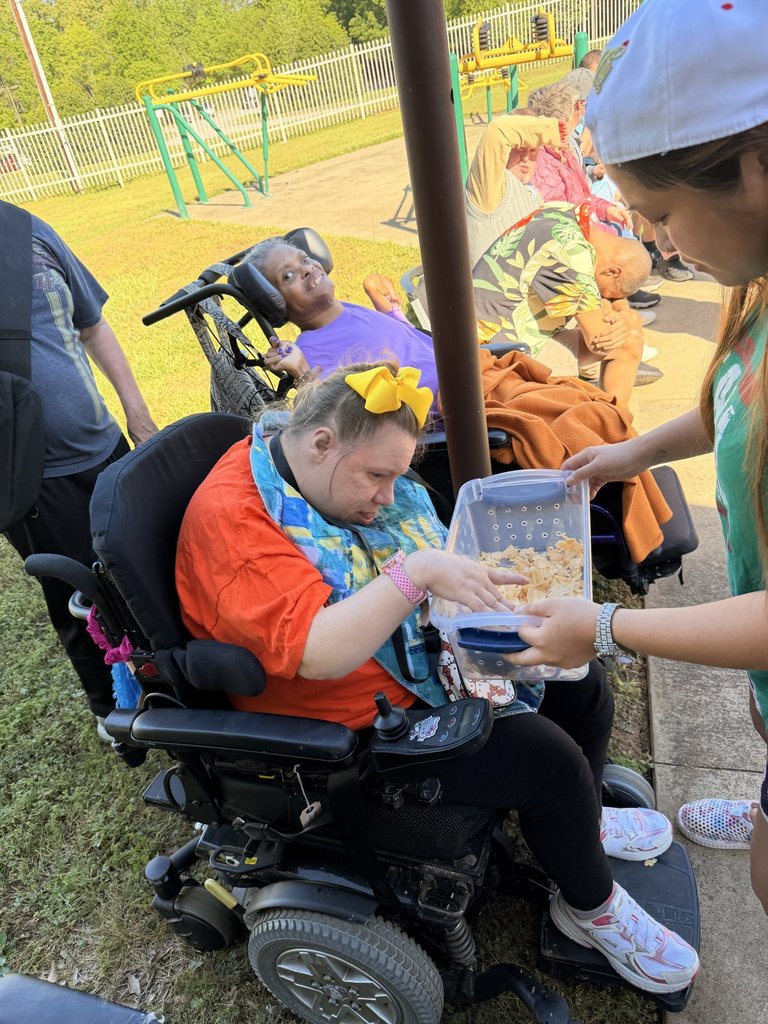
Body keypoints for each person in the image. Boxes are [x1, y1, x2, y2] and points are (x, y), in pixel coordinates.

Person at [175, 360, 699, 993]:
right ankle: (588, 910)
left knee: (582, 688)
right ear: (321, 443)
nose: (389, 497)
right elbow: (318, 653)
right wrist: (414, 575)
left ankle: (579, 826)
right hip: (345, 725)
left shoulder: (299, 463)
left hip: (408, 655)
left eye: (397, 475)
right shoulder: (238, 531)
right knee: (547, 761)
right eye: (378, 476)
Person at [503, 0, 768, 915]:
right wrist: (634, 450)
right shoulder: (758, 287)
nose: (654, 241)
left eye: (657, 213)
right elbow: (735, 408)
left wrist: (603, 629)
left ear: (756, 169)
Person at [2, 210, 157, 741]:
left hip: (105, 443)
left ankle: (168, 682)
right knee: (78, 598)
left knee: (146, 568)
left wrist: (135, 412)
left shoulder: (27, 229)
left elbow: (90, 324)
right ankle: (111, 711)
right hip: (31, 478)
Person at [472, 202, 655, 406]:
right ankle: (618, 429)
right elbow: (600, 341)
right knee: (629, 340)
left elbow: (599, 303)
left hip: (481, 336)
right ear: (612, 272)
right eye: (606, 292)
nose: (603, 296)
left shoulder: (564, 213)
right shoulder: (571, 254)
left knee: (627, 325)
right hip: (495, 358)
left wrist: (618, 310)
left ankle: (612, 423)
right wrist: (620, 321)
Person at [464, 111, 560, 268]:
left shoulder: (532, 193)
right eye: (519, 148)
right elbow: (498, 131)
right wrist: (550, 130)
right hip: (492, 291)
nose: (525, 158)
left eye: (533, 150)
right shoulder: (488, 186)